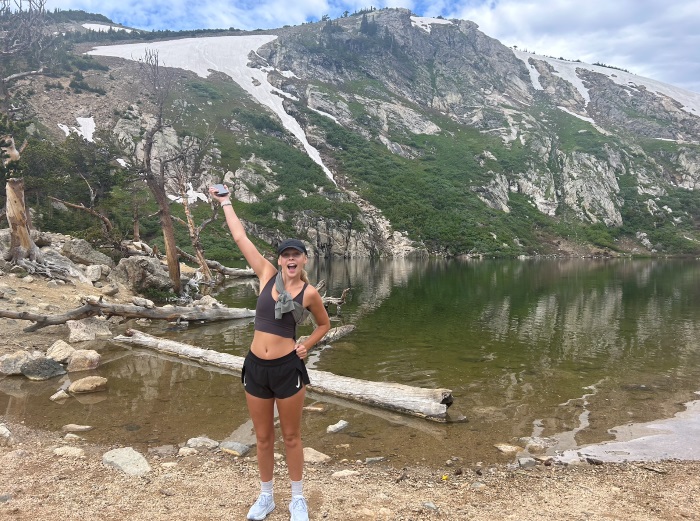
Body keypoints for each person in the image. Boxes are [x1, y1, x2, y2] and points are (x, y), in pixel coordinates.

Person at [209, 185, 330, 521]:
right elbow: (239, 237)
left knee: (291, 436)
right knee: (263, 437)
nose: (291, 259)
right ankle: (266, 497)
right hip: (256, 368)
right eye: (286, 255)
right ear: (280, 260)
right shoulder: (266, 276)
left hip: (287, 369)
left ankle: (297, 499)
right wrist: (225, 202)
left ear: (304, 259)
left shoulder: (310, 293)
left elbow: (324, 324)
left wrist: (306, 344)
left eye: (296, 255)